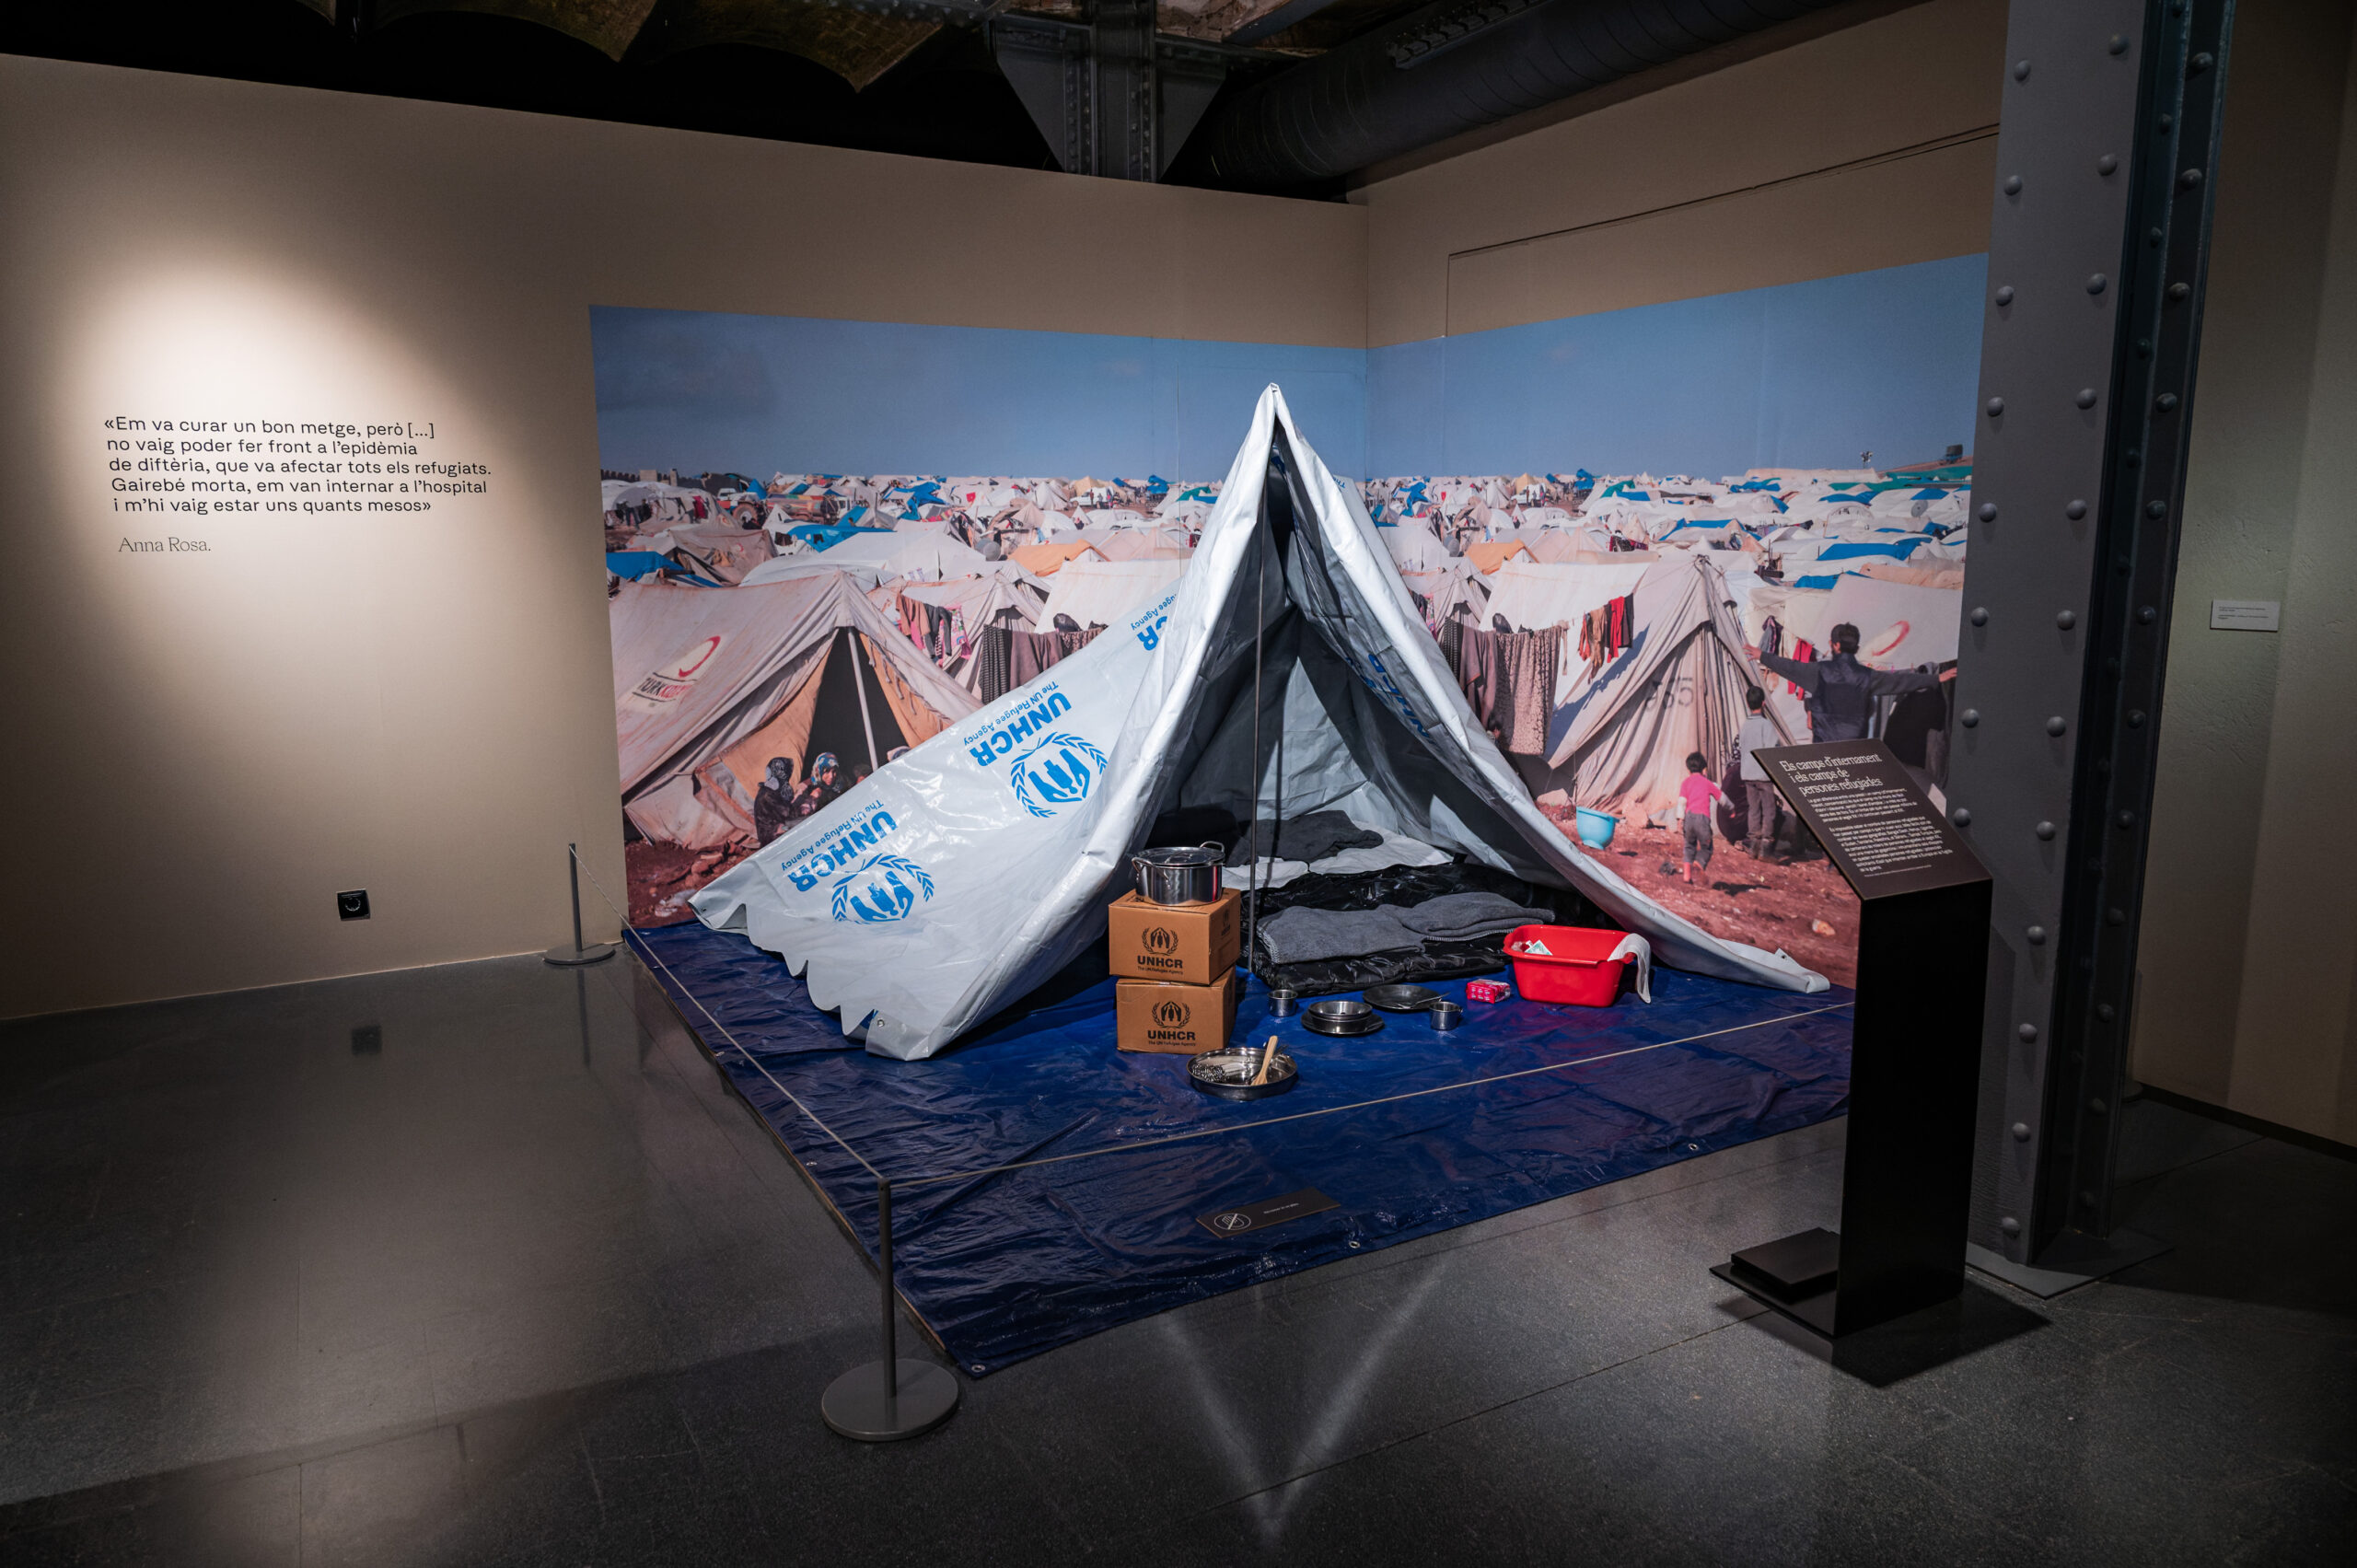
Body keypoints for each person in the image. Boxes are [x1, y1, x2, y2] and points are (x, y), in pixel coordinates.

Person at [1748, 621, 1954, 742]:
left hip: (1824, 748)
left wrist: (1762, 655)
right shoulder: (1868, 676)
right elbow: (1899, 681)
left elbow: (1789, 667)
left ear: (1834, 645)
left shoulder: (1817, 672)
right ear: (1857, 647)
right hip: (1854, 748)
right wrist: (1935, 678)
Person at [1736, 686, 1782, 860]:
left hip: (1748, 774)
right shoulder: (1766, 725)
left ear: (1748, 704)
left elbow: (1742, 748)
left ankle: (1753, 845)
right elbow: (1772, 749)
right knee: (1769, 810)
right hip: (1763, 775)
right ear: (1763, 703)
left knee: (1753, 809)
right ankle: (1766, 847)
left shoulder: (1745, 725)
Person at [1678, 751, 1732, 885]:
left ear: (1688, 770)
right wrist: (1732, 808)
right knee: (1707, 847)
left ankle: (1686, 876)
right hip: (1702, 820)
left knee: (1689, 846)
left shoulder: (1685, 783)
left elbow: (1681, 802)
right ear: (1703, 769)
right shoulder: (1707, 783)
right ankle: (1699, 862)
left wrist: (1680, 819)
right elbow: (1722, 798)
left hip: (1689, 819)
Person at [751, 756, 798, 845]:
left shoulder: (777, 791)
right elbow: (785, 817)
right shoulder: (766, 796)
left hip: (780, 833)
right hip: (773, 840)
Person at [789, 752, 842, 819]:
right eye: (827, 771)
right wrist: (812, 798)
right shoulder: (804, 787)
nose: (831, 776)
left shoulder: (837, 785)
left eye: (834, 771)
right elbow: (792, 815)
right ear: (818, 769)